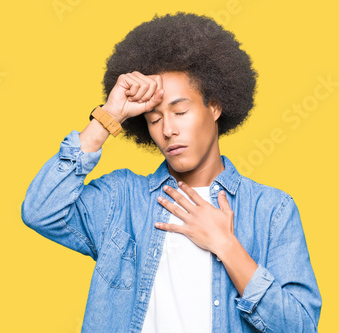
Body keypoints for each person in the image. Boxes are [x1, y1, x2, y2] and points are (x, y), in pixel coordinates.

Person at [21, 12, 321, 332]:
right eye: (153, 119)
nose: (168, 130)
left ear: (215, 107)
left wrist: (227, 246)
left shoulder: (271, 210)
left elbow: (300, 326)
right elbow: (40, 211)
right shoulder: (121, 199)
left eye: (180, 111)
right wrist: (109, 116)